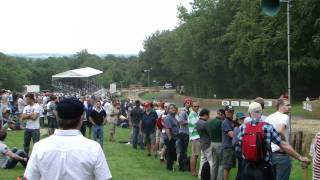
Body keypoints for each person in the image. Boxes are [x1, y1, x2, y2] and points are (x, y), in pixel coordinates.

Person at [24, 98, 112, 180]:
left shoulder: (40, 147)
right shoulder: (94, 148)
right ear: (81, 119)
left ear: (57, 118)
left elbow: (29, 177)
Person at [238, 102, 310, 180]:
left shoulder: (243, 127)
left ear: (249, 113)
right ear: (261, 112)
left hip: (247, 166)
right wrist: (300, 157)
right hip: (263, 168)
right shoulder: (267, 127)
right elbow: (282, 144)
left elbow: (240, 144)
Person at [265, 98, 292, 180]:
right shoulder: (284, 116)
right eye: (287, 105)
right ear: (280, 106)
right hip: (281, 154)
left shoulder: (269, 117)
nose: (290, 107)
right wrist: (283, 145)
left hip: (269, 155)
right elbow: (280, 130)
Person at [196, 108, 215, 180]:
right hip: (207, 144)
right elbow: (210, 133)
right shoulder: (205, 123)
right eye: (208, 115)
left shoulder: (198, 122)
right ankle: (212, 176)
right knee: (211, 161)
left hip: (202, 143)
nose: (209, 117)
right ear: (205, 115)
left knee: (203, 160)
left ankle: (200, 175)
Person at [207, 109, 225, 180]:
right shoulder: (221, 122)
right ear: (222, 115)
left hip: (211, 143)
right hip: (219, 144)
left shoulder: (210, 122)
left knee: (214, 163)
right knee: (221, 164)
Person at [177, 97, 192, 171]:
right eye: (187, 103)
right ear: (185, 103)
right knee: (183, 150)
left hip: (187, 133)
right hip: (183, 133)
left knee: (184, 150)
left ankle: (183, 165)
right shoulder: (183, 112)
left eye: (190, 103)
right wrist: (190, 120)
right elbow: (181, 122)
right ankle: (182, 166)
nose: (189, 104)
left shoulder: (189, 112)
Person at [163, 104, 179, 171]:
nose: (173, 109)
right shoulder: (168, 117)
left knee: (172, 152)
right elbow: (167, 129)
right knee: (170, 153)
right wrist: (170, 138)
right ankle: (169, 167)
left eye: (174, 108)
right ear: (168, 110)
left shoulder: (173, 117)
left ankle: (171, 165)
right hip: (170, 138)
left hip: (174, 137)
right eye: (171, 108)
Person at [222, 105, 236, 180]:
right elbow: (232, 135)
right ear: (225, 112)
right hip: (227, 147)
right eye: (229, 111)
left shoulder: (231, 121)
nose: (230, 113)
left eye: (232, 111)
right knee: (226, 168)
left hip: (231, 147)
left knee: (229, 167)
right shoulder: (226, 122)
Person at [188, 101, 201, 176]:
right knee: (194, 155)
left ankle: (193, 171)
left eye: (198, 106)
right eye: (195, 106)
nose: (196, 108)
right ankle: (193, 172)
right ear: (192, 107)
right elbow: (197, 125)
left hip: (196, 136)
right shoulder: (192, 114)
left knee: (196, 155)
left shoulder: (196, 114)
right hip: (195, 137)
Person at [232, 112, 246, 180]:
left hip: (242, 151)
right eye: (240, 119)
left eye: (243, 118)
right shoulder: (237, 129)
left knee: (242, 169)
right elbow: (234, 142)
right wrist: (241, 142)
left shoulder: (243, 128)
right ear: (237, 120)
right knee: (241, 170)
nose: (242, 120)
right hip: (239, 151)